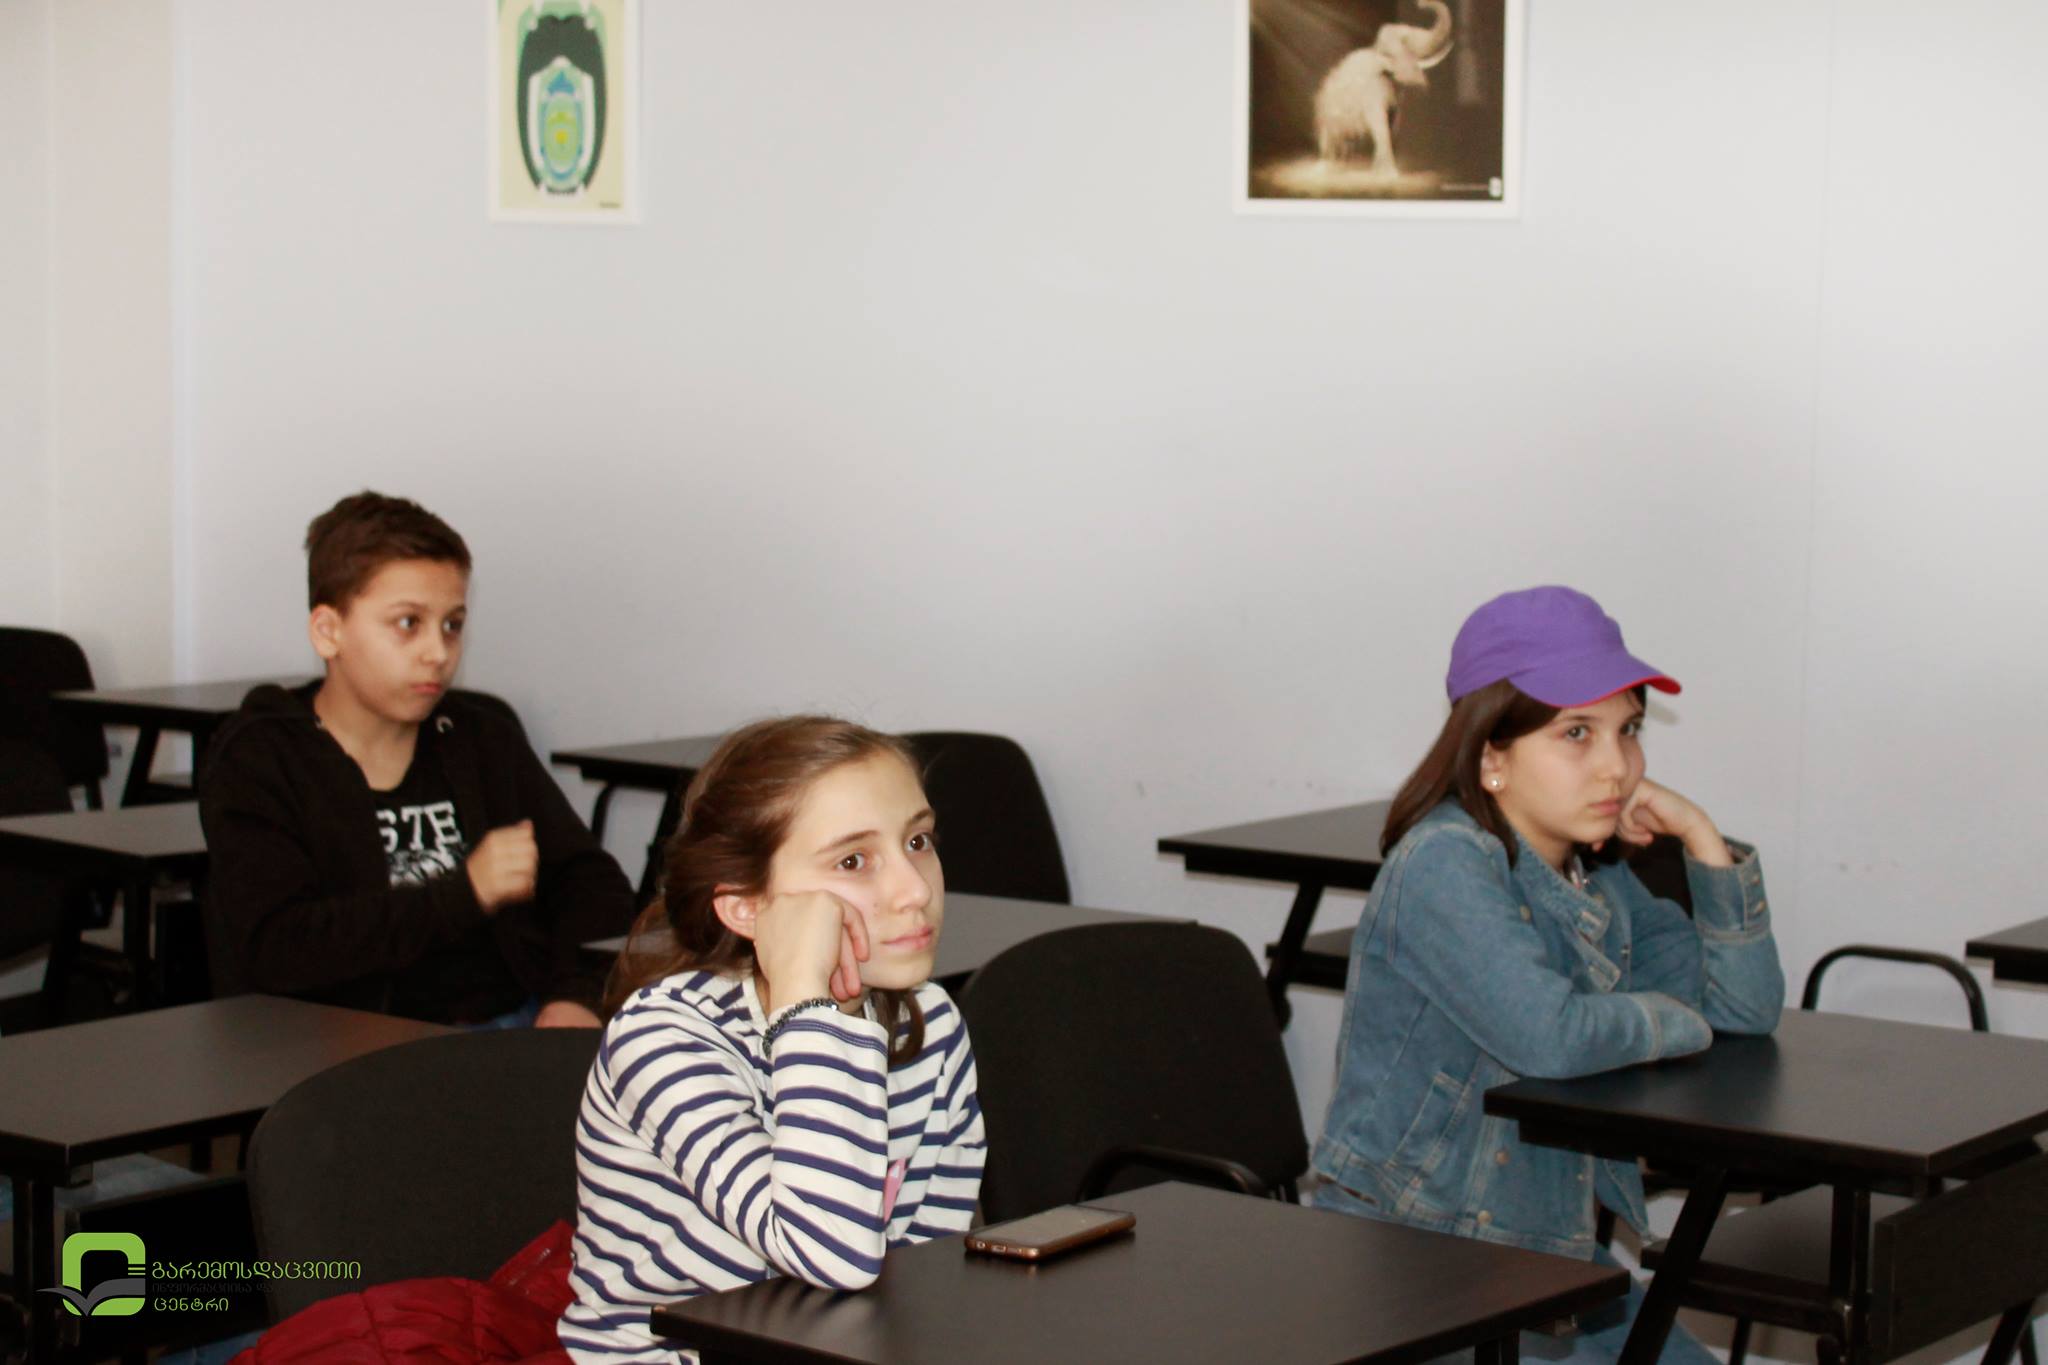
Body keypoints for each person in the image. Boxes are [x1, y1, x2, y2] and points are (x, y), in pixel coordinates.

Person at [1312, 586, 1785, 1365]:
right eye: (1576, 733)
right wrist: (1674, 1017)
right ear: (1490, 756)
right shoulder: (1443, 862)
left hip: (1539, 1245)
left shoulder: (1594, 871)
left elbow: (1744, 1007)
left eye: (1628, 730)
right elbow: (1552, 1035)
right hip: (1417, 1255)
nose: (1617, 766)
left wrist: (1701, 838)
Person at [561, 717, 985, 1364]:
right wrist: (809, 1008)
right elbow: (832, 1251)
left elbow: (926, 1274)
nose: (916, 889)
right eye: (853, 860)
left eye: (918, 840)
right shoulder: (663, 1040)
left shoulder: (931, 1024)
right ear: (748, 908)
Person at [199, 491, 634, 1027]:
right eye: (408, 623)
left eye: (452, 625)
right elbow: (277, 948)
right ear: (328, 632)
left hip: (508, 1022)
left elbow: (592, 885)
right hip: (337, 1044)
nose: (438, 652)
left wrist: (576, 997)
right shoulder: (262, 758)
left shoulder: (480, 736)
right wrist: (464, 893)